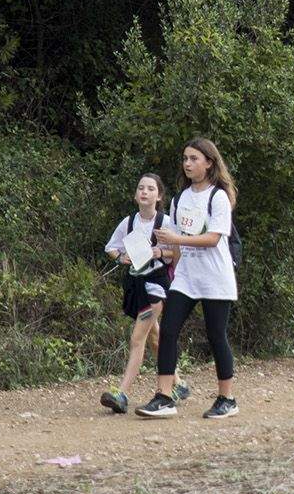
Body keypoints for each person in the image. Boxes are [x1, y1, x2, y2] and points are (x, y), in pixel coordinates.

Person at [136, 138, 239, 420]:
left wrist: (176, 239)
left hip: (215, 278)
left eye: (194, 158)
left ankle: (227, 398)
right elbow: (177, 245)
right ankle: (164, 396)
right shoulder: (180, 197)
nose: (188, 164)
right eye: (185, 159)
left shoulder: (218, 197)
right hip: (186, 278)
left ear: (209, 162)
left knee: (217, 335)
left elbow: (213, 238)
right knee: (168, 331)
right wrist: (168, 258)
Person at [100, 175, 189, 414]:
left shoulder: (167, 223)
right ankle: (179, 385)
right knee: (154, 337)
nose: (145, 192)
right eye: (141, 187)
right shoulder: (128, 222)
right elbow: (111, 247)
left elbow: (179, 253)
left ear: (159, 196)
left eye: (150, 188)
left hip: (156, 287)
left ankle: (122, 394)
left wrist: (159, 252)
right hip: (136, 285)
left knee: (137, 338)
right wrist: (121, 258)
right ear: (136, 194)